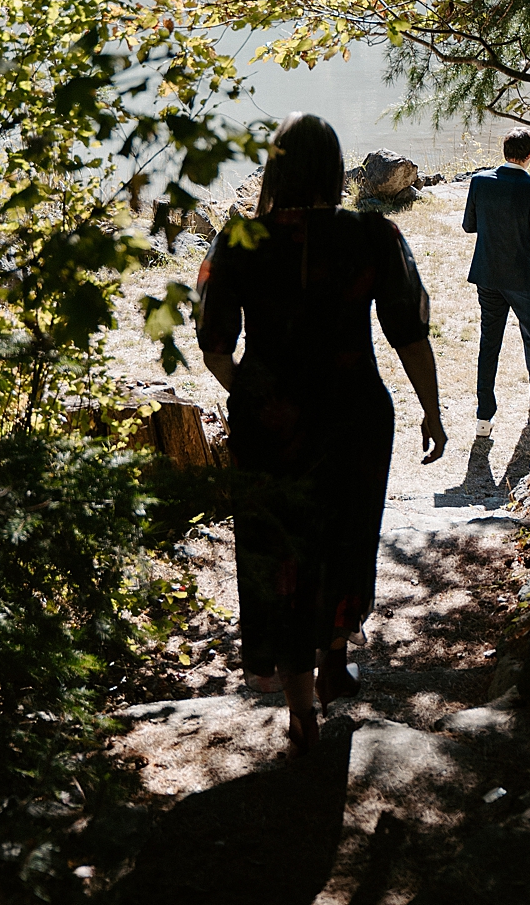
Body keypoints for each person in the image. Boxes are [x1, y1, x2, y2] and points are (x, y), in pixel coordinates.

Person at [195, 112, 446, 757]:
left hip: (271, 426)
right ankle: (335, 654)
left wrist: (255, 399)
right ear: (337, 172)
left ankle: (301, 705)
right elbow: (409, 331)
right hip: (353, 417)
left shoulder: (238, 241)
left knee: (279, 554)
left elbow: (215, 348)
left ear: (275, 168)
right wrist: (433, 409)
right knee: (344, 536)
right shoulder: (373, 235)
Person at [462, 127, 530, 438]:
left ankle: (484, 417)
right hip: (521, 277)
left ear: (505, 152)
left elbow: (469, 226)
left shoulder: (479, 182)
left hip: (488, 274)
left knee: (488, 343)